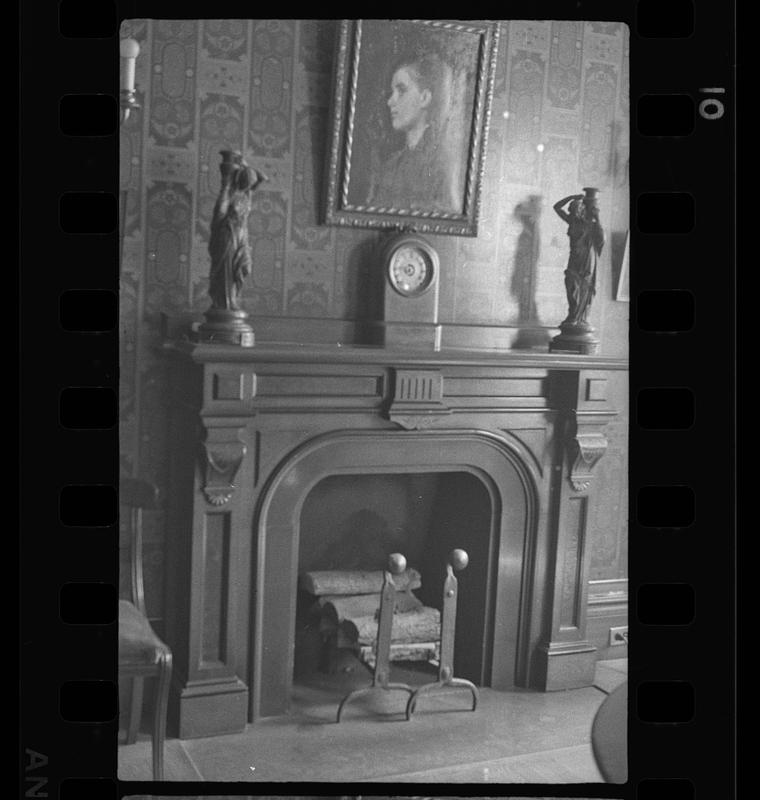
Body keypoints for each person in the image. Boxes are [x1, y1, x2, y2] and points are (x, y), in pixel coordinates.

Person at [367, 53, 460, 213]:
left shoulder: (443, 164)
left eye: (401, 91)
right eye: (392, 92)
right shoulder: (390, 166)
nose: (390, 101)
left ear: (424, 98)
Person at [207, 152, 267, 311]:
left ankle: (233, 298)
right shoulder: (229, 195)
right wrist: (227, 182)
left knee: (244, 268)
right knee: (226, 271)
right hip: (227, 235)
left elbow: (262, 178)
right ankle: (225, 303)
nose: (249, 187)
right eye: (247, 182)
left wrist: (245, 166)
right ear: (239, 180)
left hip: (241, 237)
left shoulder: (246, 196)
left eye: (250, 184)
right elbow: (219, 212)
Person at [553, 193, 605, 327]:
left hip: (587, 258)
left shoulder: (591, 225)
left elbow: (602, 239)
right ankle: (572, 314)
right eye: (572, 209)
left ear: (583, 210)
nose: (574, 211)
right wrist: (571, 197)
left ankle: (579, 318)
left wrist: (597, 217)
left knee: (584, 286)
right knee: (570, 282)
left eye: (578, 209)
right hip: (574, 256)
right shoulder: (572, 221)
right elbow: (557, 207)